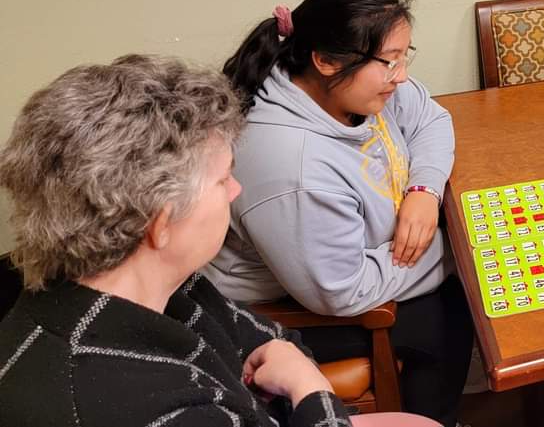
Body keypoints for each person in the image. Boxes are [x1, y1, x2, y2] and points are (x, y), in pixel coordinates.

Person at [0, 55, 437, 426]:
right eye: (224, 179)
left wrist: (287, 361)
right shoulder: (142, 405)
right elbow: (284, 357)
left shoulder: (157, 281)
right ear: (162, 221)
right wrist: (309, 387)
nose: (236, 191)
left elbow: (270, 337)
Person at [203, 0, 473, 427]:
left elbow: (431, 118)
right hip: (292, 310)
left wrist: (424, 192)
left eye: (405, 56)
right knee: (451, 313)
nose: (401, 75)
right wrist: (457, 251)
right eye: (389, 61)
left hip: (351, 267)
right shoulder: (293, 167)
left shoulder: (355, 87)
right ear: (325, 60)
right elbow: (341, 291)